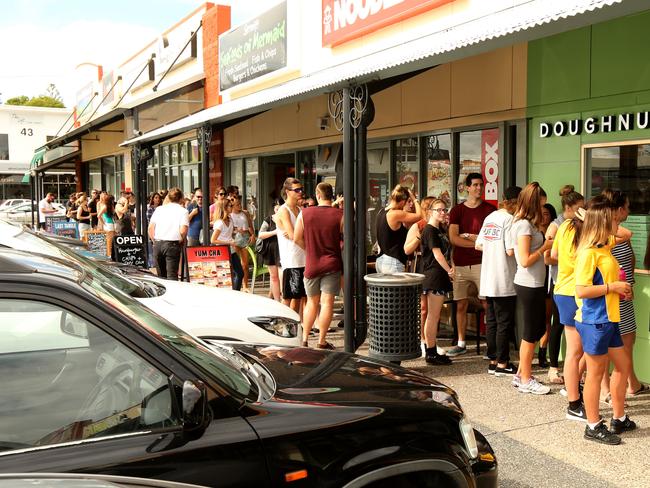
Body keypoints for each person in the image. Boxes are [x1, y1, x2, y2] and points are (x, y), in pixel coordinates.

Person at [574, 195, 634, 445]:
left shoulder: (603, 245)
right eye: (611, 218)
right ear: (602, 222)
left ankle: (618, 418)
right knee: (596, 376)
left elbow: (626, 234)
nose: (616, 220)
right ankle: (592, 424)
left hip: (609, 320)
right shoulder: (588, 253)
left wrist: (621, 290)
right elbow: (581, 290)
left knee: (622, 367)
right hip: (594, 321)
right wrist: (613, 286)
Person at [601, 190, 647, 399]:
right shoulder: (608, 233)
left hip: (624, 294)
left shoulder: (616, 232)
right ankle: (607, 390)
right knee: (613, 346)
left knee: (627, 342)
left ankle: (633, 383)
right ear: (619, 210)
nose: (629, 210)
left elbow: (630, 257)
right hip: (613, 296)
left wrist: (631, 281)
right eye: (627, 207)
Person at [510, 182, 553, 395]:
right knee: (529, 333)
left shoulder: (526, 224)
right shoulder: (524, 225)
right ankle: (525, 378)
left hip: (534, 283)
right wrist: (545, 247)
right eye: (541, 205)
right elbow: (524, 260)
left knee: (535, 330)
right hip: (528, 283)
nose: (543, 210)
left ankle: (521, 373)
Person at [447, 173, 495, 356]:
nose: (478, 188)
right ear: (467, 187)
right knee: (461, 304)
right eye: (475, 185)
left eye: (481, 185)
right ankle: (460, 343)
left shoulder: (490, 210)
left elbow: (491, 238)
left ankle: (492, 346)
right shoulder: (457, 210)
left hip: (482, 264)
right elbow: (453, 238)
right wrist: (477, 243)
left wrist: (472, 239)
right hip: (460, 265)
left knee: (486, 303)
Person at [476, 186, 521, 377]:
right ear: (516, 202)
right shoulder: (509, 220)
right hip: (504, 277)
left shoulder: (490, 217)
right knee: (504, 322)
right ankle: (503, 362)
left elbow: (479, 244)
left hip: (488, 276)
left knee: (492, 321)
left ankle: (493, 359)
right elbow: (511, 250)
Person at [294, 182, 343, 350]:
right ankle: (322, 341)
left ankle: (305, 339)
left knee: (311, 303)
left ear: (318, 194)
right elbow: (346, 239)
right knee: (327, 302)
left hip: (312, 264)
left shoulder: (304, 214)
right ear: (332, 195)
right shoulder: (340, 214)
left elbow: (296, 238)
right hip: (332, 262)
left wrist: (309, 249)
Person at [545, 185, 584, 385]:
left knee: (572, 335)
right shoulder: (558, 225)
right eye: (580, 207)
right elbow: (549, 257)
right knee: (558, 326)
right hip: (560, 283)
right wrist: (570, 260)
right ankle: (554, 369)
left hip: (568, 286)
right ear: (569, 207)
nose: (583, 211)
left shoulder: (578, 223)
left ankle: (574, 377)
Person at [419, 199, 454, 365]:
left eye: (444, 209)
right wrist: (450, 270)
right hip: (434, 276)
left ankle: (431, 350)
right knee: (433, 316)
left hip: (439, 275)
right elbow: (437, 255)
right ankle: (430, 352)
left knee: (434, 315)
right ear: (430, 211)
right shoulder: (430, 230)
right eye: (439, 210)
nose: (442, 212)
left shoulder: (439, 230)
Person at [276, 178, 307, 315]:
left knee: (298, 297)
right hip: (291, 259)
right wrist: (309, 249)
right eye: (297, 190)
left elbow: (300, 235)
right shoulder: (284, 210)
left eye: (301, 189)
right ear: (288, 192)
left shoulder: (300, 209)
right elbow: (294, 236)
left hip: (302, 258)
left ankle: (294, 326)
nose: (300, 192)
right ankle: (284, 327)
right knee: (288, 298)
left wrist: (298, 236)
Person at [375, 185, 422, 274]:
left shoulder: (381, 212)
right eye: (408, 202)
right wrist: (414, 199)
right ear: (402, 202)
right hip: (392, 262)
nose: (410, 204)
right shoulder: (395, 214)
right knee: (396, 288)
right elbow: (419, 216)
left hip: (381, 260)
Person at [148, 188, 189, 281]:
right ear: (181, 198)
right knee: (172, 277)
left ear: (169, 197)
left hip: (158, 243)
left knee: (161, 277)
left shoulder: (159, 209)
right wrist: (180, 239)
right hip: (172, 244)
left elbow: (150, 228)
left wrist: (155, 241)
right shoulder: (183, 211)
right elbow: (183, 230)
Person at [537, 202, 558, 369]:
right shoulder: (534, 232)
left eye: (546, 214)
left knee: (547, 318)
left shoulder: (554, 233)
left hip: (550, 277)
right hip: (536, 277)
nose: (544, 217)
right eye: (541, 213)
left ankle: (543, 353)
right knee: (538, 318)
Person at [211, 199, 244, 291]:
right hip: (222, 251)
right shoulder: (219, 223)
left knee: (239, 273)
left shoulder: (230, 219)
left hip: (231, 250)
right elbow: (213, 240)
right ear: (224, 208)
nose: (232, 207)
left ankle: (235, 293)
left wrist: (236, 230)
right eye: (230, 206)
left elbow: (228, 232)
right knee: (224, 276)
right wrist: (229, 242)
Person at [257, 200, 283, 301]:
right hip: (271, 252)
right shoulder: (269, 219)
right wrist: (275, 232)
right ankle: (277, 301)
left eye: (280, 209)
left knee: (282, 277)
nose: (278, 211)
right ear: (274, 209)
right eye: (276, 209)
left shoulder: (286, 219)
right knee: (274, 277)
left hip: (282, 251)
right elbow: (260, 234)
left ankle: (283, 298)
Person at [231, 195, 255, 292]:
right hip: (235, 239)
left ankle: (245, 286)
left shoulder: (245, 213)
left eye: (240, 204)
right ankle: (237, 285)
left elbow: (250, 225)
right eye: (237, 205)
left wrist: (253, 235)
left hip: (245, 238)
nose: (239, 206)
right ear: (232, 205)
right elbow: (229, 228)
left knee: (245, 264)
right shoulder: (230, 215)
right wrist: (236, 230)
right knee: (236, 265)